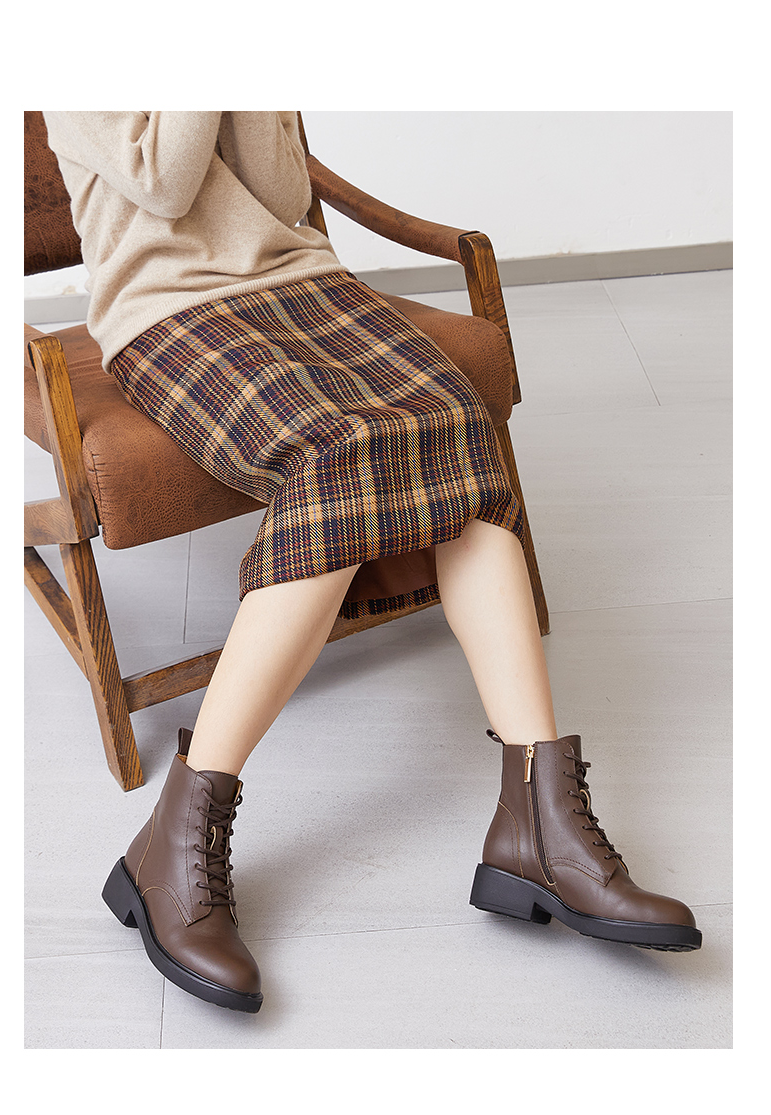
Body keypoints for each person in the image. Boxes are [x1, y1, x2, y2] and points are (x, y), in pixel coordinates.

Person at [43, 111, 702, 1014]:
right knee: (331, 458)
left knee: (457, 425)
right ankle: (171, 839)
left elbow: (282, 195)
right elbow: (163, 179)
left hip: (304, 283)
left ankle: (539, 823)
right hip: (168, 313)